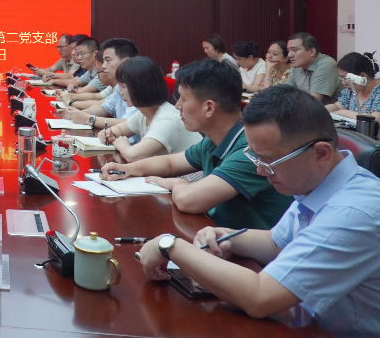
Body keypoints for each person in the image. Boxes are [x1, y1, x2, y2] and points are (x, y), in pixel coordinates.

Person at [137, 86, 380, 338]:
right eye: (256, 159)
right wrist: (229, 238)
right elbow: (277, 242)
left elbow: (261, 297)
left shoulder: (355, 212)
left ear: (320, 153)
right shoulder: (318, 182)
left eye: (269, 161)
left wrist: (170, 245)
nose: (261, 171)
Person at [101, 58, 292, 230]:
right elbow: (170, 163)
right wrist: (126, 169)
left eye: (183, 99)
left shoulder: (250, 150)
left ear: (209, 108)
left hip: (249, 253)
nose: (177, 106)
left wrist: (176, 183)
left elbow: (188, 200)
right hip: (218, 236)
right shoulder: (212, 140)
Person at [96, 57, 202, 162]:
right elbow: (119, 130)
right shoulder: (144, 113)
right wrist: (107, 133)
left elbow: (132, 155)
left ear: (140, 87)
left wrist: (122, 145)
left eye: (123, 86)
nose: (120, 92)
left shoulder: (167, 119)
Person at [64, 38, 139, 138]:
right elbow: (103, 108)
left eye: (108, 60)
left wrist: (88, 119)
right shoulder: (120, 86)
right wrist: (77, 114)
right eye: (103, 61)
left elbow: (127, 123)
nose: (103, 66)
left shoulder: (139, 86)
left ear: (126, 62)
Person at [284, 32, 343, 104]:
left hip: (329, 110)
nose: (289, 55)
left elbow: (312, 102)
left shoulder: (326, 64)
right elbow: (284, 93)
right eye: (288, 50)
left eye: (295, 50)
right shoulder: (298, 65)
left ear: (312, 51)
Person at [326, 51, 380, 123]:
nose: (343, 83)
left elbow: (376, 120)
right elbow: (337, 106)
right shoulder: (351, 91)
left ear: (362, 76)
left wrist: (343, 113)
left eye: (345, 78)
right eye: (342, 78)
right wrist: (321, 111)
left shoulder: (378, 92)